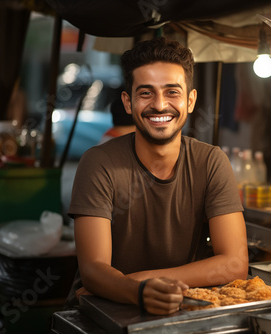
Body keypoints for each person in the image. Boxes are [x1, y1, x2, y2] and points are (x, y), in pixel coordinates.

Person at [68, 37, 248, 315]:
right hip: (104, 310)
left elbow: (235, 264)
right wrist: (137, 293)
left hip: (176, 307)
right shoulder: (99, 162)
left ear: (190, 100)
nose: (160, 105)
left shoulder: (211, 161)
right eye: (146, 93)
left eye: (172, 92)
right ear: (128, 103)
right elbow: (93, 269)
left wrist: (140, 282)